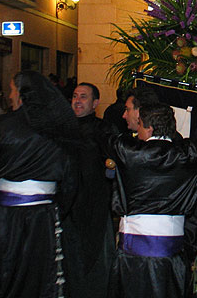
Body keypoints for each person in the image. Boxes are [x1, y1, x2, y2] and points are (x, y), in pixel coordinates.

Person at [107, 103, 197, 298]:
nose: (137, 130)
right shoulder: (188, 152)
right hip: (171, 252)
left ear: (149, 128)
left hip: (133, 255)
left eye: (139, 124)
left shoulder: (127, 151)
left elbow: (104, 139)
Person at [0, 71, 80, 298]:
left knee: (3, 275)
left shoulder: (2, 125)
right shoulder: (62, 126)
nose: (10, 96)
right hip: (43, 217)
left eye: (12, 90)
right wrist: (58, 209)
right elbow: (71, 178)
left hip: (6, 217)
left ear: (22, 94)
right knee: (39, 277)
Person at [63, 82, 117, 298]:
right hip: (67, 207)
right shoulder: (61, 129)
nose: (77, 100)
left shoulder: (104, 130)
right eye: (75, 96)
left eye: (83, 97)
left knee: (95, 262)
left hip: (95, 206)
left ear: (95, 103)